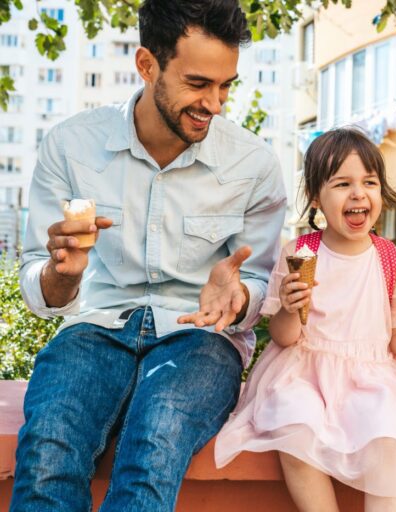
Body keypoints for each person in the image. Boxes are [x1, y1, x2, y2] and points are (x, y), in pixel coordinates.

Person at [11, 1, 286, 510]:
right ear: (147, 65)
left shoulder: (254, 165)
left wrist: (239, 297)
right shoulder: (71, 145)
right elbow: (38, 282)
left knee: (156, 439)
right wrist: (61, 276)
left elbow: (257, 281)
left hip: (201, 338)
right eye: (198, 83)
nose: (215, 104)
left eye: (226, 86)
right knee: (49, 446)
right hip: (95, 326)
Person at [215, 128, 396, 512]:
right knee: (294, 430)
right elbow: (283, 337)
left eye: (369, 182)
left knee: (388, 436)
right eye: (342, 184)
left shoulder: (390, 260)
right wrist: (290, 308)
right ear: (316, 196)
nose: (358, 193)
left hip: (369, 379)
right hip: (302, 375)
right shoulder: (299, 254)